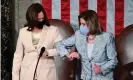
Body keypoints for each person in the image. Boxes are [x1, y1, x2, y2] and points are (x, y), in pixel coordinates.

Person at [56, 10, 118, 80]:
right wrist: (68, 55)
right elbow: (59, 44)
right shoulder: (79, 35)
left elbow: (113, 61)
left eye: (84, 24)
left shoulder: (106, 37)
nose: (81, 27)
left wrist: (102, 69)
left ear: (92, 24)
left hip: (103, 77)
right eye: (81, 24)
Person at [12, 3, 62, 80]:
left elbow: (62, 49)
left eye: (42, 18)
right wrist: (15, 78)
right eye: (38, 19)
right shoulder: (23, 32)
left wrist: (48, 52)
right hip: (27, 73)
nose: (41, 21)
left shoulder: (53, 30)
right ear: (31, 19)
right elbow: (18, 56)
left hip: (46, 73)